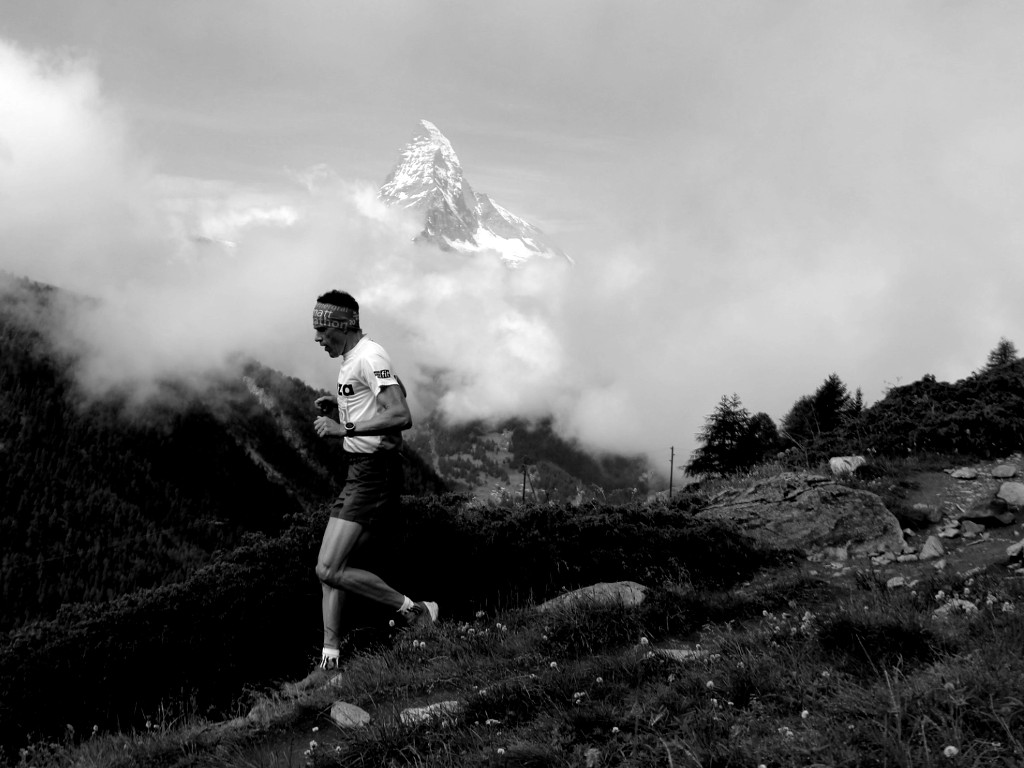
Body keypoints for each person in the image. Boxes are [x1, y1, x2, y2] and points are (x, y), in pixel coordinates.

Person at [287, 289, 438, 692]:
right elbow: (391, 397)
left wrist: (344, 428)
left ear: (342, 325)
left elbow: (400, 414)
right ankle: (330, 663)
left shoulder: (370, 356)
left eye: (322, 330)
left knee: (328, 568)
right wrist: (340, 408)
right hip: (362, 473)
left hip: (373, 475)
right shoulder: (356, 359)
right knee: (330, 572)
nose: (318, 339)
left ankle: (415, 611)